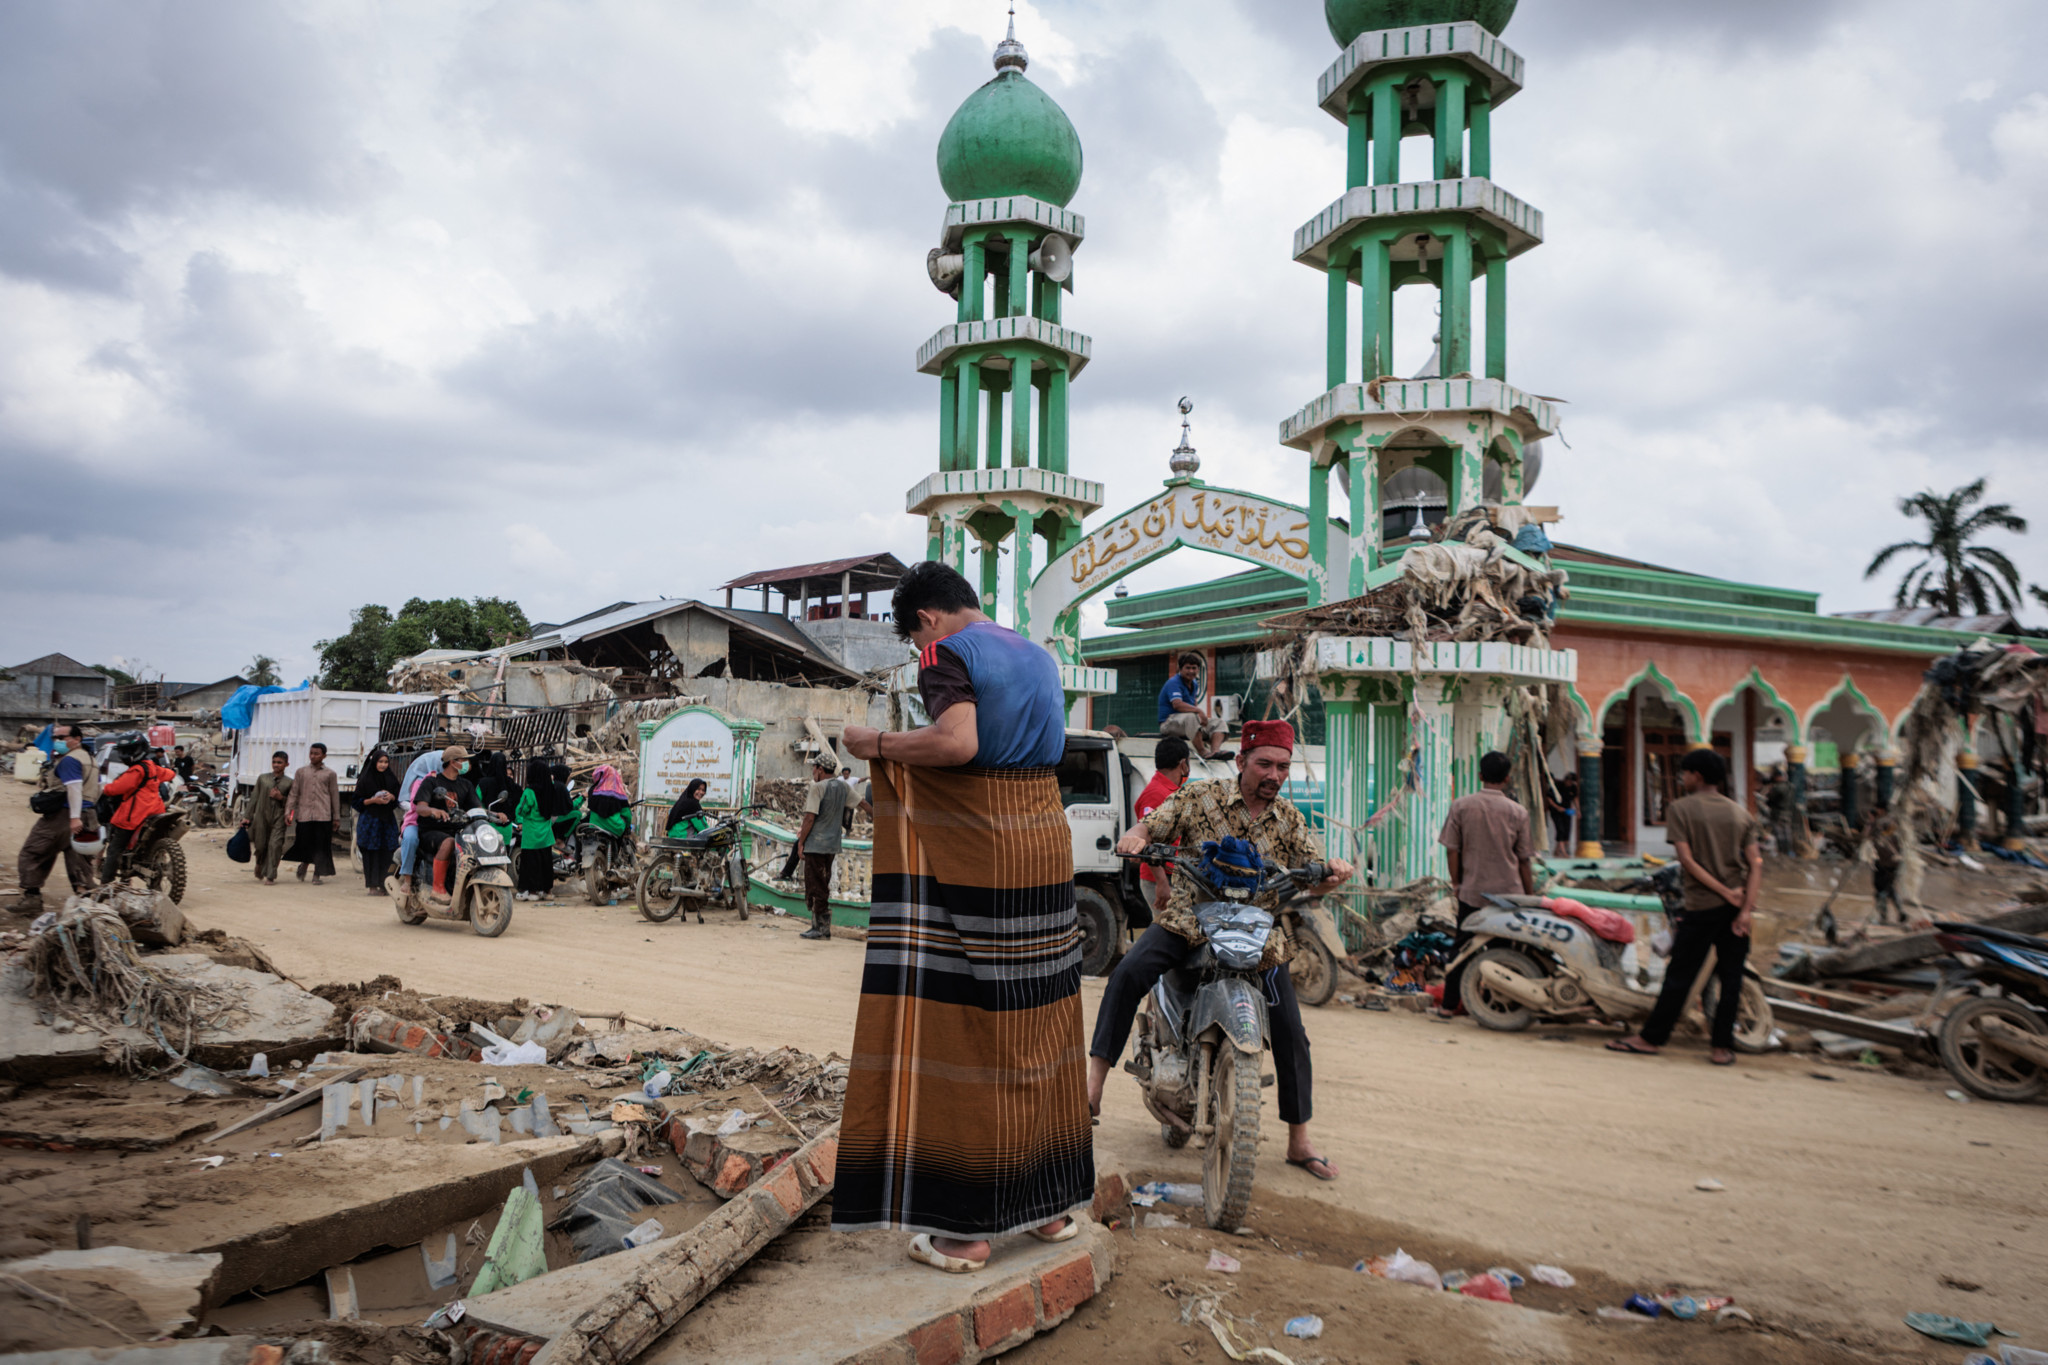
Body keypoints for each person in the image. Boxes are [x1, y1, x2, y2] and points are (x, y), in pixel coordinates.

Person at [834, 560, 1092, 1274]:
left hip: (985, 848)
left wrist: (878, 745)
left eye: (916, 639)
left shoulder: (947, 654)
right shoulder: (1039, 655)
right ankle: (1050, 1207)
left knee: (969, 1026)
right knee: (1039, 1019)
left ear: (925, 619)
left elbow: (957, 744)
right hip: (1044, 839)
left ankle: (966, 1230)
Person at [1096, 718, 1353, 1183]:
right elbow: (1150, 824)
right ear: (1241, 762)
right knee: (1127, 974)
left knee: (1293, 1035)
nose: (1274, 774)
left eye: (1283, 766)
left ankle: (1300, 1141)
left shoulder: (1291, 821)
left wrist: (1331, 874)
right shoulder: (1200, 797)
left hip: (1257, 939)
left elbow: (1314, 874)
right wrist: (1137, 838)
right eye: (1265, 764)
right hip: (1188, 924)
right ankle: (1091, 1091)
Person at [1609, 750, 1761, 1067]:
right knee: (1730, 978)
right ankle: (1722, 1047)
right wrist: (1744, 908)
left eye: (1685, 773)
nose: (1682, 778)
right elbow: (1756, 863)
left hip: (1702, 906)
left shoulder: (1680, 809)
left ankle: (1651, 1039)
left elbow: (1687, 862)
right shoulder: (1741, 814)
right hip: (1736, 910)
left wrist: (1721, 892)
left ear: (1698, 776)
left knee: (1680, 975)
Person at [1437, 751, 1536, 1016]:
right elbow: (1524, 860)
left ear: (1480, 776)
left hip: (1472, 892)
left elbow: (1451, 850)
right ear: (1507, 778)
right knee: (1506, 949)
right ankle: (1501, 1004)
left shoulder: (1460, 806)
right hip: (1509, 895)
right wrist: (1530, 896)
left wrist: (1456, 883)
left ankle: (1448, 1006)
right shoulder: (1519, 812)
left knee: (1462, 948)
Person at [17, 724, 99, 908]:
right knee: (79, 859)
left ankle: (32, 897)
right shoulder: (91, 760)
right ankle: (87, 905)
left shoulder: (70, 760)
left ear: (77, 739)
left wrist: (74, 817)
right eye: (56, 738)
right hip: (89, 815)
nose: (58, 742)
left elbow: (74, 788)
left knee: (33, 852)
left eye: (62, 738)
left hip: (64, 815)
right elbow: (97, 789)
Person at [99, 734, 173, 878]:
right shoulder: (152, 766)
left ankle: (105, 884)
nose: (127, 754)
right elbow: (169, 774)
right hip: (155, 810)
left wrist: (104, 789)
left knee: (114, 849)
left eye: (129, 751)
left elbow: (116, 789)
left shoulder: (136, 770)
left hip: (135, 813)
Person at [1134, 735, 1191, 916]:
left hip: (1173, 876)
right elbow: (1148, 841)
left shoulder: (1171, 791)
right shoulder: (1156, 794)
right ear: (1183, 764)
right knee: (1167, 935)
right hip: (1159, 879)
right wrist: (1161, 883)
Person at [413, 746, 479, 902]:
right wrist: (433, 810)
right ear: (452, 762)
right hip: (431, 831)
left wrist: (495, 814)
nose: (467, 764)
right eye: (464, 760)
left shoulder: (466, 785)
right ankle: (438, 888)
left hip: (457, 830)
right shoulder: (431, 782)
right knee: (449, 842)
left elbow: (477, 808)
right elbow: (420, 807)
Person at [795, 755, 848, 940]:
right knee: (823, 882)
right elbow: (862, 804)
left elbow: (809, 817)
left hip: (816, 845)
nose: (812, 772)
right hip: (832, 845)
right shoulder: (843, 786)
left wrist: (801, 842)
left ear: (820, 769)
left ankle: (820, 928)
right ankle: (820, 926)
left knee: (815, 884)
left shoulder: (818, 787)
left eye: (814, 768)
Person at [518, 762, 576, 901]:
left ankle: (532, 893)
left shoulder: (529, 791)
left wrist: (520, 816)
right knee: (545, 863)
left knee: (530, 863)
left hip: (531, 833)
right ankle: (547, 891)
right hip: (546, 833)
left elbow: (522, 809)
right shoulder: (550, 790)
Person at [284, 743, 341, 885]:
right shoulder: (301, 772)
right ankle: (304, 864)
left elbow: (334, 796)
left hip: (323, 816)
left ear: (324, 756)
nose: (313, 756)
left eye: (317, 753)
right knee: (305, 843)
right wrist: (288, 812)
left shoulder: (330, 774)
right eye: (311, 753)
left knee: (321, 846)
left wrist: (336, 817)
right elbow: (294, 794)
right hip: (304, 815)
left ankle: (317, 874)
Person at [1157, 652, 1228, 759]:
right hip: (1169, 723)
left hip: (1187, 723)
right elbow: (1177, 705)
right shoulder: (1174, 683)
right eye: (1188, 668)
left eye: (1194, 668)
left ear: (1198, 670)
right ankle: (1202, 751)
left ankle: (1215, 751)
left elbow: (1193, 704)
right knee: (1191, 717)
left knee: (1219, 722)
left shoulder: (1194, 683)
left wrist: (1201, 719)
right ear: (1180, 669)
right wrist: (1199, 712)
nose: (1191, 671)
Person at [351, 748, 401, 896]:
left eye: (386, 762)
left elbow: (398, 800)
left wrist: (392, 798)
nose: (383, 765)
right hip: (370, 822)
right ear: (374, 762)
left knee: (388, 853)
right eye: (380, 762)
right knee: (371, 854)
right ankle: (372, 886)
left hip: (387, 822)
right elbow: (356, 802)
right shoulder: (365, 780)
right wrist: (373, 800)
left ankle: (385, 885)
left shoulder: (391, 779)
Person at [247, 751, 293, 884]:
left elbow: (292, 802)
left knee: (275, 845)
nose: (276, 765)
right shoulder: (263, 779)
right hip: (261, 816)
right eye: (274, 762)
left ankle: (270, 875)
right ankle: (259, 863)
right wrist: (247, 817)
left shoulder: (289, 782)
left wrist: (281, 798)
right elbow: (254, 798)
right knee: (260, 845)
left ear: (286, 764)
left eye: (279, 762)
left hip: (279, 817)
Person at [1866, 796, 1904, 924]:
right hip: (1895, 861)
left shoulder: (1880, 823)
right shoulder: (1895, 821)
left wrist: (1871, 821)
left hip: (1883, 861)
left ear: (1880, 810)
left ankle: (1883, 917)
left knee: (1880, 890)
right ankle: (1900, 912)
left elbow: (1868, 837)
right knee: (1890, 888)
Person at [1545, 770, 1579, 857]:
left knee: (1567, 829)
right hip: (1556, 810)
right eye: (1569, 782)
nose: (1570, 784)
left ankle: (1557, 850)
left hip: (1567, 810)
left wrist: (1578, 810)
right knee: (1560, 828)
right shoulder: (1557, 785)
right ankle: (1563, 852)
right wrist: (1557, 807)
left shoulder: (1573, 787)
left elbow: (1575, 799)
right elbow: (1549, 798)